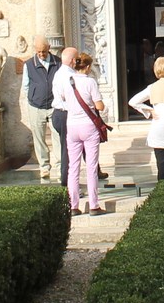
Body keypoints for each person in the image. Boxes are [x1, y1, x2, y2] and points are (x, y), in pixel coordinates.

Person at [60, 48, 108, 215]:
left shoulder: (67, 81)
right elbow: (99, 105)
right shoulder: (90, 82)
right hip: (88, 125)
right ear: (87, 67)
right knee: (91, 167)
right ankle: (94, 205)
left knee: (73, 167)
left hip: (72, 125)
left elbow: (62, 97)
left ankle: (73, 205)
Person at [21, 38, 64, 181]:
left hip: (54, 105)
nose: (41, 54)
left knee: (57, 137)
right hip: (36, 106)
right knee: (39, 138)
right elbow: (25, 85)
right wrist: (32, 98)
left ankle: (59, 167)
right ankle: (44, 167)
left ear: (49, 48)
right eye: (38, 52)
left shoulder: (58, 62)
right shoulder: (29, 64)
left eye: (44, 52)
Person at [50, 45, 78, 193]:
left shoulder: (60, 73)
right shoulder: (68, 76)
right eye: (77, 58)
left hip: (60, 113)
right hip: (64, 113)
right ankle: (67, 184)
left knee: (69, 148)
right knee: (67, 151)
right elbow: (69, 96)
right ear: (73, 60)